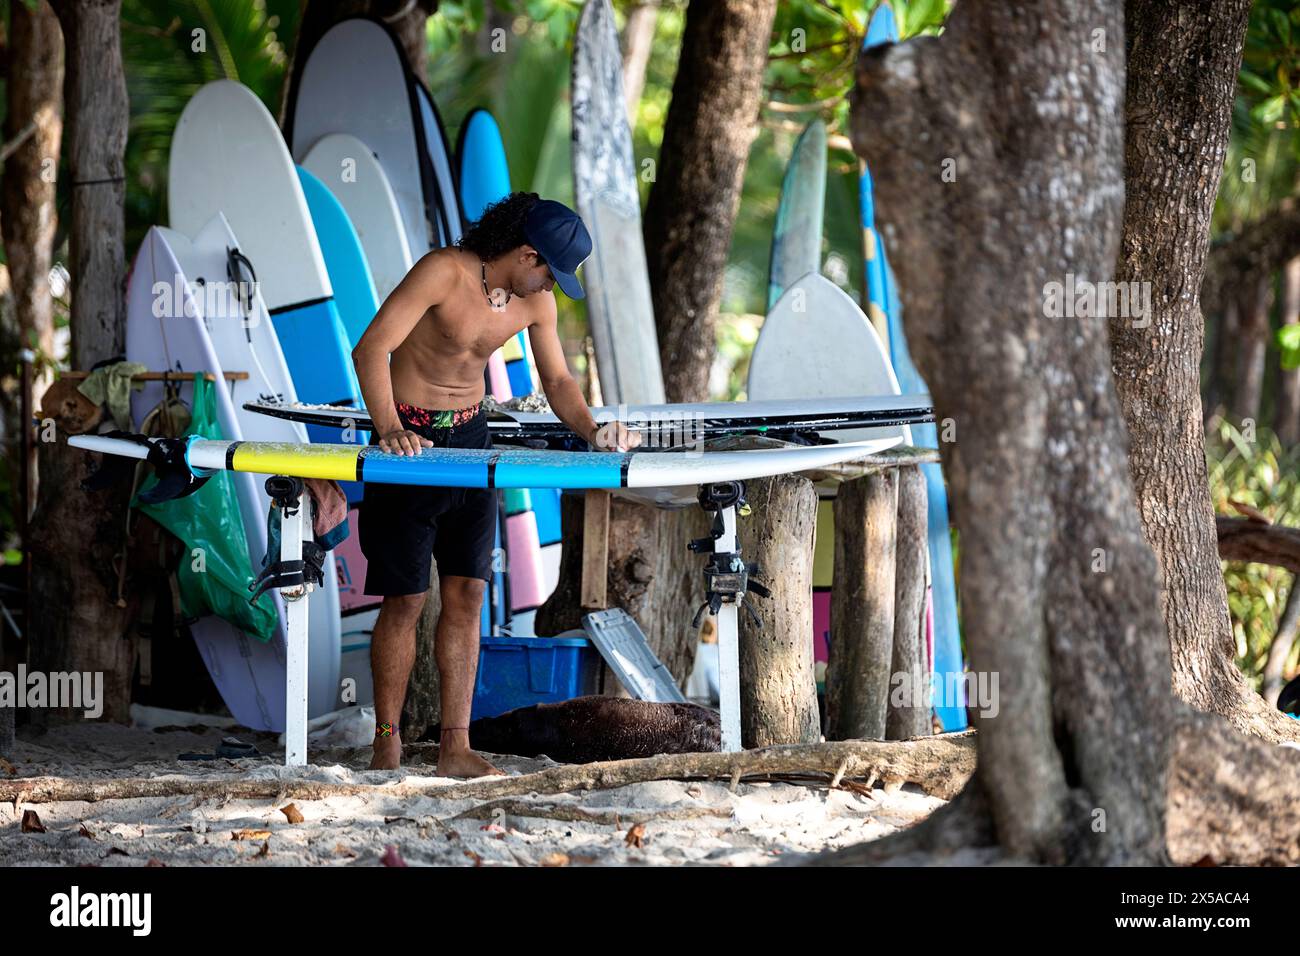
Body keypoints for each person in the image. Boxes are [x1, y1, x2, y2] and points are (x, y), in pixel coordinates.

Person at [352, 192, 638, 775]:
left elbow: (557, 379)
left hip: (473, 441)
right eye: (548, 272)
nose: (550, 286)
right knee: (405, 600)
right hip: (408, 446)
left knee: (468, 595)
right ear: (526, 252)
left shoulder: (535, 303)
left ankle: (455, 748)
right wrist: (388, 430)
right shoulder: (443, 271)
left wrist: (593, 430)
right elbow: (372, 348)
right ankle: (387, 744)